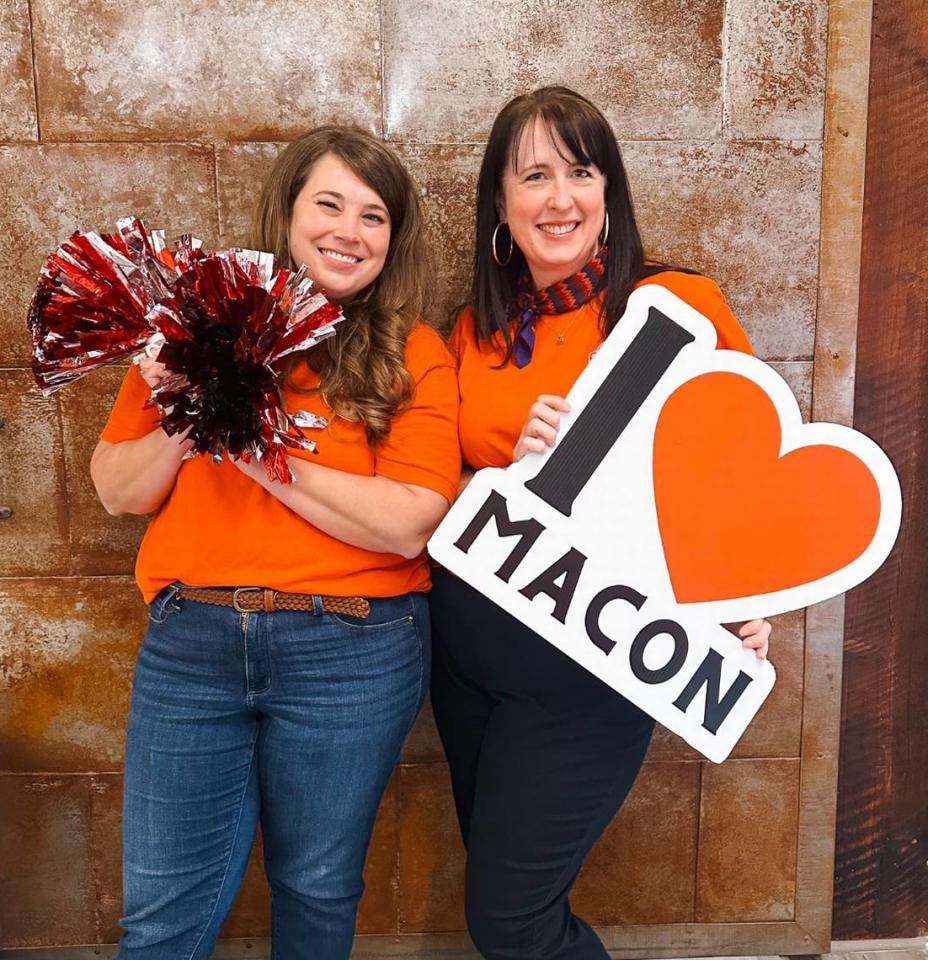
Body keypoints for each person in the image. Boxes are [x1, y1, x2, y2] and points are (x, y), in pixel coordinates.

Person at [91, 126, 460, 960]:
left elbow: (406, 517)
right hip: (192, 645)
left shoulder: (412, 354)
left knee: (318, 888)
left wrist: (250, 444)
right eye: (327, 204)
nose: (348, 231)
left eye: (373, 217)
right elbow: (119, 490)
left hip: (354, 649)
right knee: (158, 914)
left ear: (391, 241)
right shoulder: (190, 329)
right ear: (286, 215)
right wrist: (193, 408)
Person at [428, 86, 772, 960]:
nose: (559, 198)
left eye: (580, 172)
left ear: (609, 191)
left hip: (590, 665)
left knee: (508, 920)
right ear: (500, 206)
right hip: (466, 659)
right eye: (533, 176)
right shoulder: (476, 330)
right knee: (512, 894)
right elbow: (447, 480)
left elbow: (739, 474)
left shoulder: (677, 306)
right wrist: (507, 466)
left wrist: (742, 597)